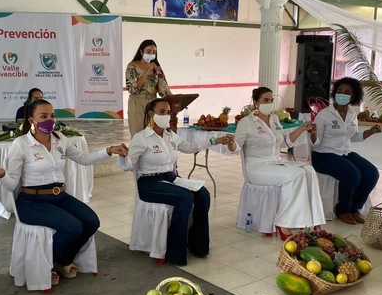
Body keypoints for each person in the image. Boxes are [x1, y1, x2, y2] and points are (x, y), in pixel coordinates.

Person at [0, 99, 128, 284]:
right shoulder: (21, 144)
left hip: (59, 196)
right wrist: (2, 175)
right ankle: (46, 265)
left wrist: (109, 150)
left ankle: (64, 261)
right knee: (72, 227)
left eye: (52, 116)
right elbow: (11, 184)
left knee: (91, 222)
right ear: (31, 120)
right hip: (32, 201)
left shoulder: (60, 139)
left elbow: (84, 158)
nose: (50, 120)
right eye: (43, 116)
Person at [118, 98, 236, 266]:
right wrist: (123, 157)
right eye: (162, 112)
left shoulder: (170, 135)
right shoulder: (141, 138)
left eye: (168, 112)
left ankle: (197, 245)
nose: (167, 115)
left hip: (170, 178)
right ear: (151, 114)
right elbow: (129, 164)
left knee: (203, 194)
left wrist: (214, 141)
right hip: (149, 182)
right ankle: (174, 252)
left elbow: (188, 147)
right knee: (185, 197)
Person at [235, 87, 325, 240]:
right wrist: (231, 143)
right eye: (265, 100)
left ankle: (315, 221)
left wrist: (302, 128)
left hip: (275, 162)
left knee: (309, 171)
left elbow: (285, 142)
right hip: (257, 167)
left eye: (271, 100)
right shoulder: (246, 122)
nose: (269, 104)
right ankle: (284, 222)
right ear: (256, 103)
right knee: (296, 175)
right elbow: (236, 146)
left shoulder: (274, 119)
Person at [311, 77, 382, 226]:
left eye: (347, 92)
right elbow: (316, 143)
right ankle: (343, 210)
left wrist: (371, 131)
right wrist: (312, 134)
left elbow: (354, 137)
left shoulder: (352, 116)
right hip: (323, 155)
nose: (342, 94)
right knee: (352, 174)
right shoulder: (324, 115)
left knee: (372, 173)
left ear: (353, 96)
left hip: (344, 153)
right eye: (339, 91)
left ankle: (354, 208)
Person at [126, 39, 171, 137]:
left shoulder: (157, 68)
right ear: (141, 52)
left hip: (153, 104)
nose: (152, 54)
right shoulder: (132, 66)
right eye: (149, 51)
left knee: (153, 134)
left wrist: (172, 99)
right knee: (138, 135)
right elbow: (132, 89)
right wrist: (148, 71)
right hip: (137, 103)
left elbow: (163, 88)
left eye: (154, 52)